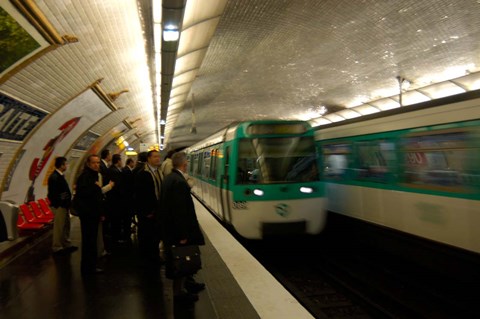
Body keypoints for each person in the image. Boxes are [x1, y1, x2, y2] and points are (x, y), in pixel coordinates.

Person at [162, 151, 205, 303]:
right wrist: (183, 234)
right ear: (184, 164)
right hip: (178, 231)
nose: (187, 164)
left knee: (178, 260)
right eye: (187, 162)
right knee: (181, 260)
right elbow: (179, 211)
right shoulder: (179, 182)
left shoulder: (169, 178)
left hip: (171, 230)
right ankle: (179, 294)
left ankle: (184, 288)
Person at [74, 154, 108, 276]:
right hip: (88, 215)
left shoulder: (92, 176)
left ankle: (90, 266)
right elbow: (86, 196)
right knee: (89, 241)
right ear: (88, 164)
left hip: (92, 214)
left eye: (98, 163)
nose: (96, 165)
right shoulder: (86, 177)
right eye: (94, 163)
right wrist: (96, 188)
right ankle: (88, 268)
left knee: (91, 241)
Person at [134, 150, 163, 265]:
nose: (157, 159)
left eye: (158, 157)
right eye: (155, 157)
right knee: (146, 235)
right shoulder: (142, 173)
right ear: (148, 159)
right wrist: (146, 211)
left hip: (156, 210)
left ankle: (154, 256)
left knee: (155, 235)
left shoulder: (159, 172)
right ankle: (146, 258)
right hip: (147, 212)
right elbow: (140, 194)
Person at [47, 156, 77, 254]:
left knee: (66, 225)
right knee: (59, 227)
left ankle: (66, 244)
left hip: (64, 205)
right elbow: (53, 194)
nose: (67, 165)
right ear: (61, 165)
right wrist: (59, 204)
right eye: (66, 164)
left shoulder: (59, 176)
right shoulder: (54, 177)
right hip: (60, 206)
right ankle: (57, 246)